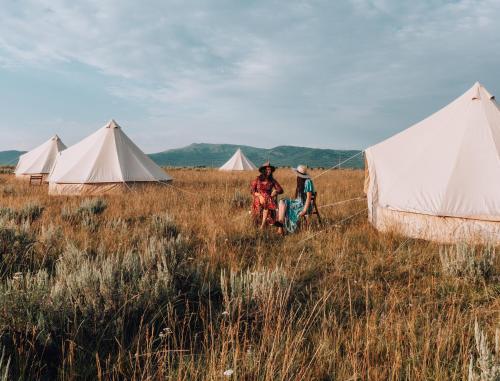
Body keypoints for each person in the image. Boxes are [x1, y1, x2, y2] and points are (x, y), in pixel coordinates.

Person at [277, 165, 315, 234]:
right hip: (298, 202)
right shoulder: (300, 181)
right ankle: (280, 225)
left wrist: (304, 210)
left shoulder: (307, 182)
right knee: (282, 201)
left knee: (284, 204)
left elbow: (309, 198)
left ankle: (280, 227)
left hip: (303, 205)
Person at [250, 161, 284, 229]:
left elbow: (281, 190)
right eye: (267, 169)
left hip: (268, 198)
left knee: (268, 200)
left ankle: (263, 225)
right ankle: (271, 220)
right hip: (258, 198)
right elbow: (252, 190)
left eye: (270, 170)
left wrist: (275, 191)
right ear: (263, 170)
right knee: (264, 200)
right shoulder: (258, 179)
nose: (269, 171)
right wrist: (259, 196)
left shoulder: (272, 180)